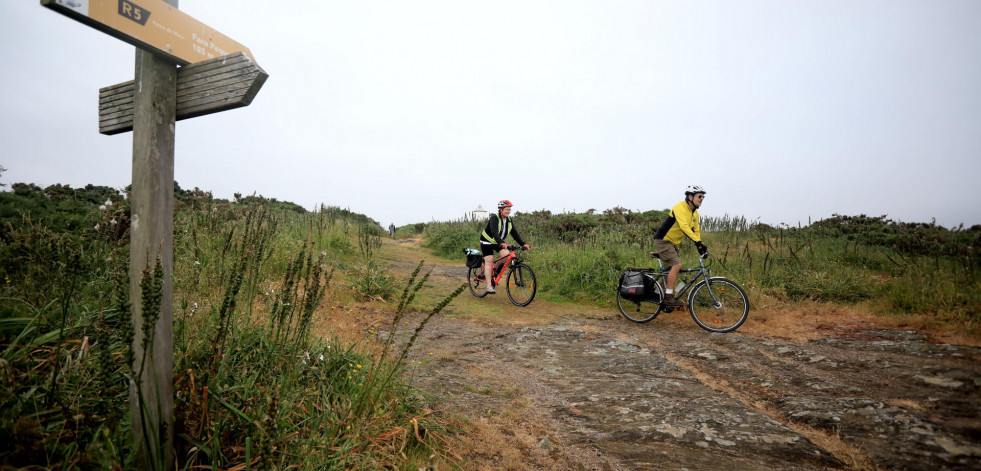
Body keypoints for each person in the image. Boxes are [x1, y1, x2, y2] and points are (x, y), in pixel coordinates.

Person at [653, 185, 708, 307]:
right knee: (676, 265)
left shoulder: (695, 213)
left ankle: (658, 293)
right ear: (690, 197)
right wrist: (697, 242)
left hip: (673, 243)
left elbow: (696, 230)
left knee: (670, 270)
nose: (702, 199)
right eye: (699, 196)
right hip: (663, 240)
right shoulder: (680, 207)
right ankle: (668, 297)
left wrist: (699, 245)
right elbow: (684, 226)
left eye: (703, 197)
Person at [479, 200, 530, 294]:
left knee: (506, 255)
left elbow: (514, 233)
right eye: (507, 209)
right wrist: (501, 243)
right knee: (489, 260)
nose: (508, 211)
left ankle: (494, 272)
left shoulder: (509, 220)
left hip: (497, 242)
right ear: (501, 209)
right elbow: (494, 232)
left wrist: (523, 244)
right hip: (487, 241)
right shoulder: (494, 218)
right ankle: (489, 286)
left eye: (509, 209)